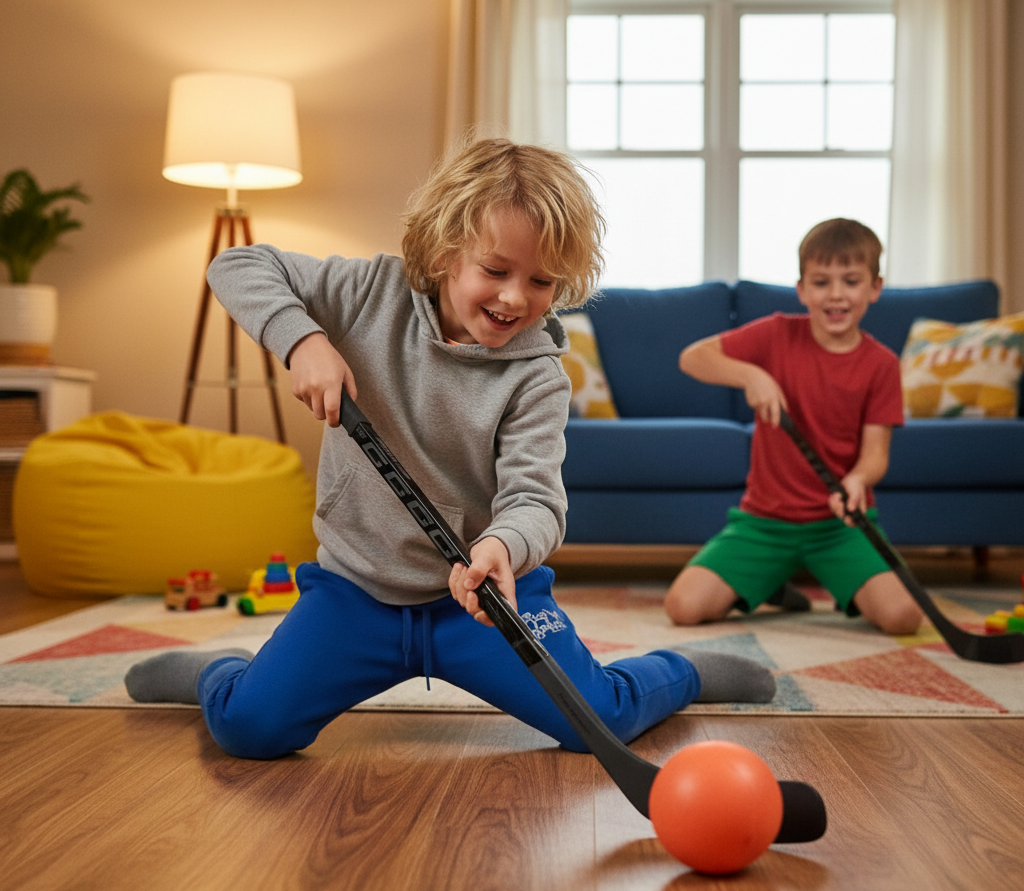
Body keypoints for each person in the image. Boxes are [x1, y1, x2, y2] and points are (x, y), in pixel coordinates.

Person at [125, 137, 775, 761]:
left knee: (596, 721)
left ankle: (680, 672)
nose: (517, 296)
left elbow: (536, 502)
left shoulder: (540, 375)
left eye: (543, 281)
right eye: (496, 270)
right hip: (356, 593)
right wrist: (303, 341)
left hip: (481, 605)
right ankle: (223, 673)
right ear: (443, 254)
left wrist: (500, 548)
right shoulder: (366, 294)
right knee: (248, 727)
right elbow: (237, 264)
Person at [664, 218, 923, 636]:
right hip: (764, 523)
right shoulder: (776, 333)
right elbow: (692, 357)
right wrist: (752, 375)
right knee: (683, 607)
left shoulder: (882, 365)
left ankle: (808, 580)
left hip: (841, 528)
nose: (836, 294)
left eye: (851, 281)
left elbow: (876, 453)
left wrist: (858, 480)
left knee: (903, 617)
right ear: (802, 289)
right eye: (821, 282)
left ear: (875, 287)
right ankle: (771, 582)